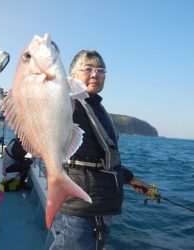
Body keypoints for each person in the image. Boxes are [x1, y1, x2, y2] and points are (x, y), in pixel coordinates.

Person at [49, 50, 150, 250]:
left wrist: (130, 179)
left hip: (102, 206)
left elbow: (105, 158)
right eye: (87, 68)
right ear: (71, 75)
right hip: (79, 208)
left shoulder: (97, 108)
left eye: (100, 70)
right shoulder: (69, 102)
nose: (95, 74)